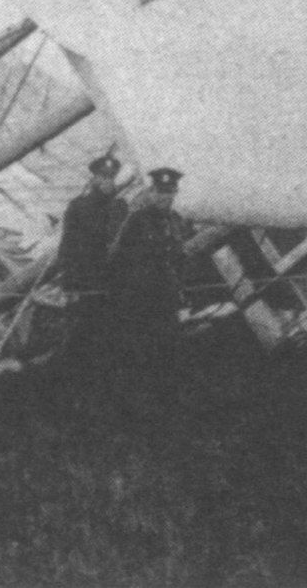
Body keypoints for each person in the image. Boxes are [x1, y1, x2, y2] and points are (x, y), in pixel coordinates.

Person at [106, 167, 188, 422]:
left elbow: (180, 256)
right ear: (151, 192)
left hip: (166, 297)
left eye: (170, 193)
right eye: (161, 192)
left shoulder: (176, 221)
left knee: (168, 349)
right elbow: (116, 257)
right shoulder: (136, 221)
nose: (166, 198)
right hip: (140, 299)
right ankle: (133, 409)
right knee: (139, 350)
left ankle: (166, 406)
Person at [57, 154, 129, 378]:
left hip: (110, 284)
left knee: (109, 338)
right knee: (79, 337)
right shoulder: (78, 207)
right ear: (95, 178)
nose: (108, 181)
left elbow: (125, 246)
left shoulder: (120, 207)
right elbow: (67, 246)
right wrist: (68, 285)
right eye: (103, 176)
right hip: (83, 283)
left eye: (111, 177)